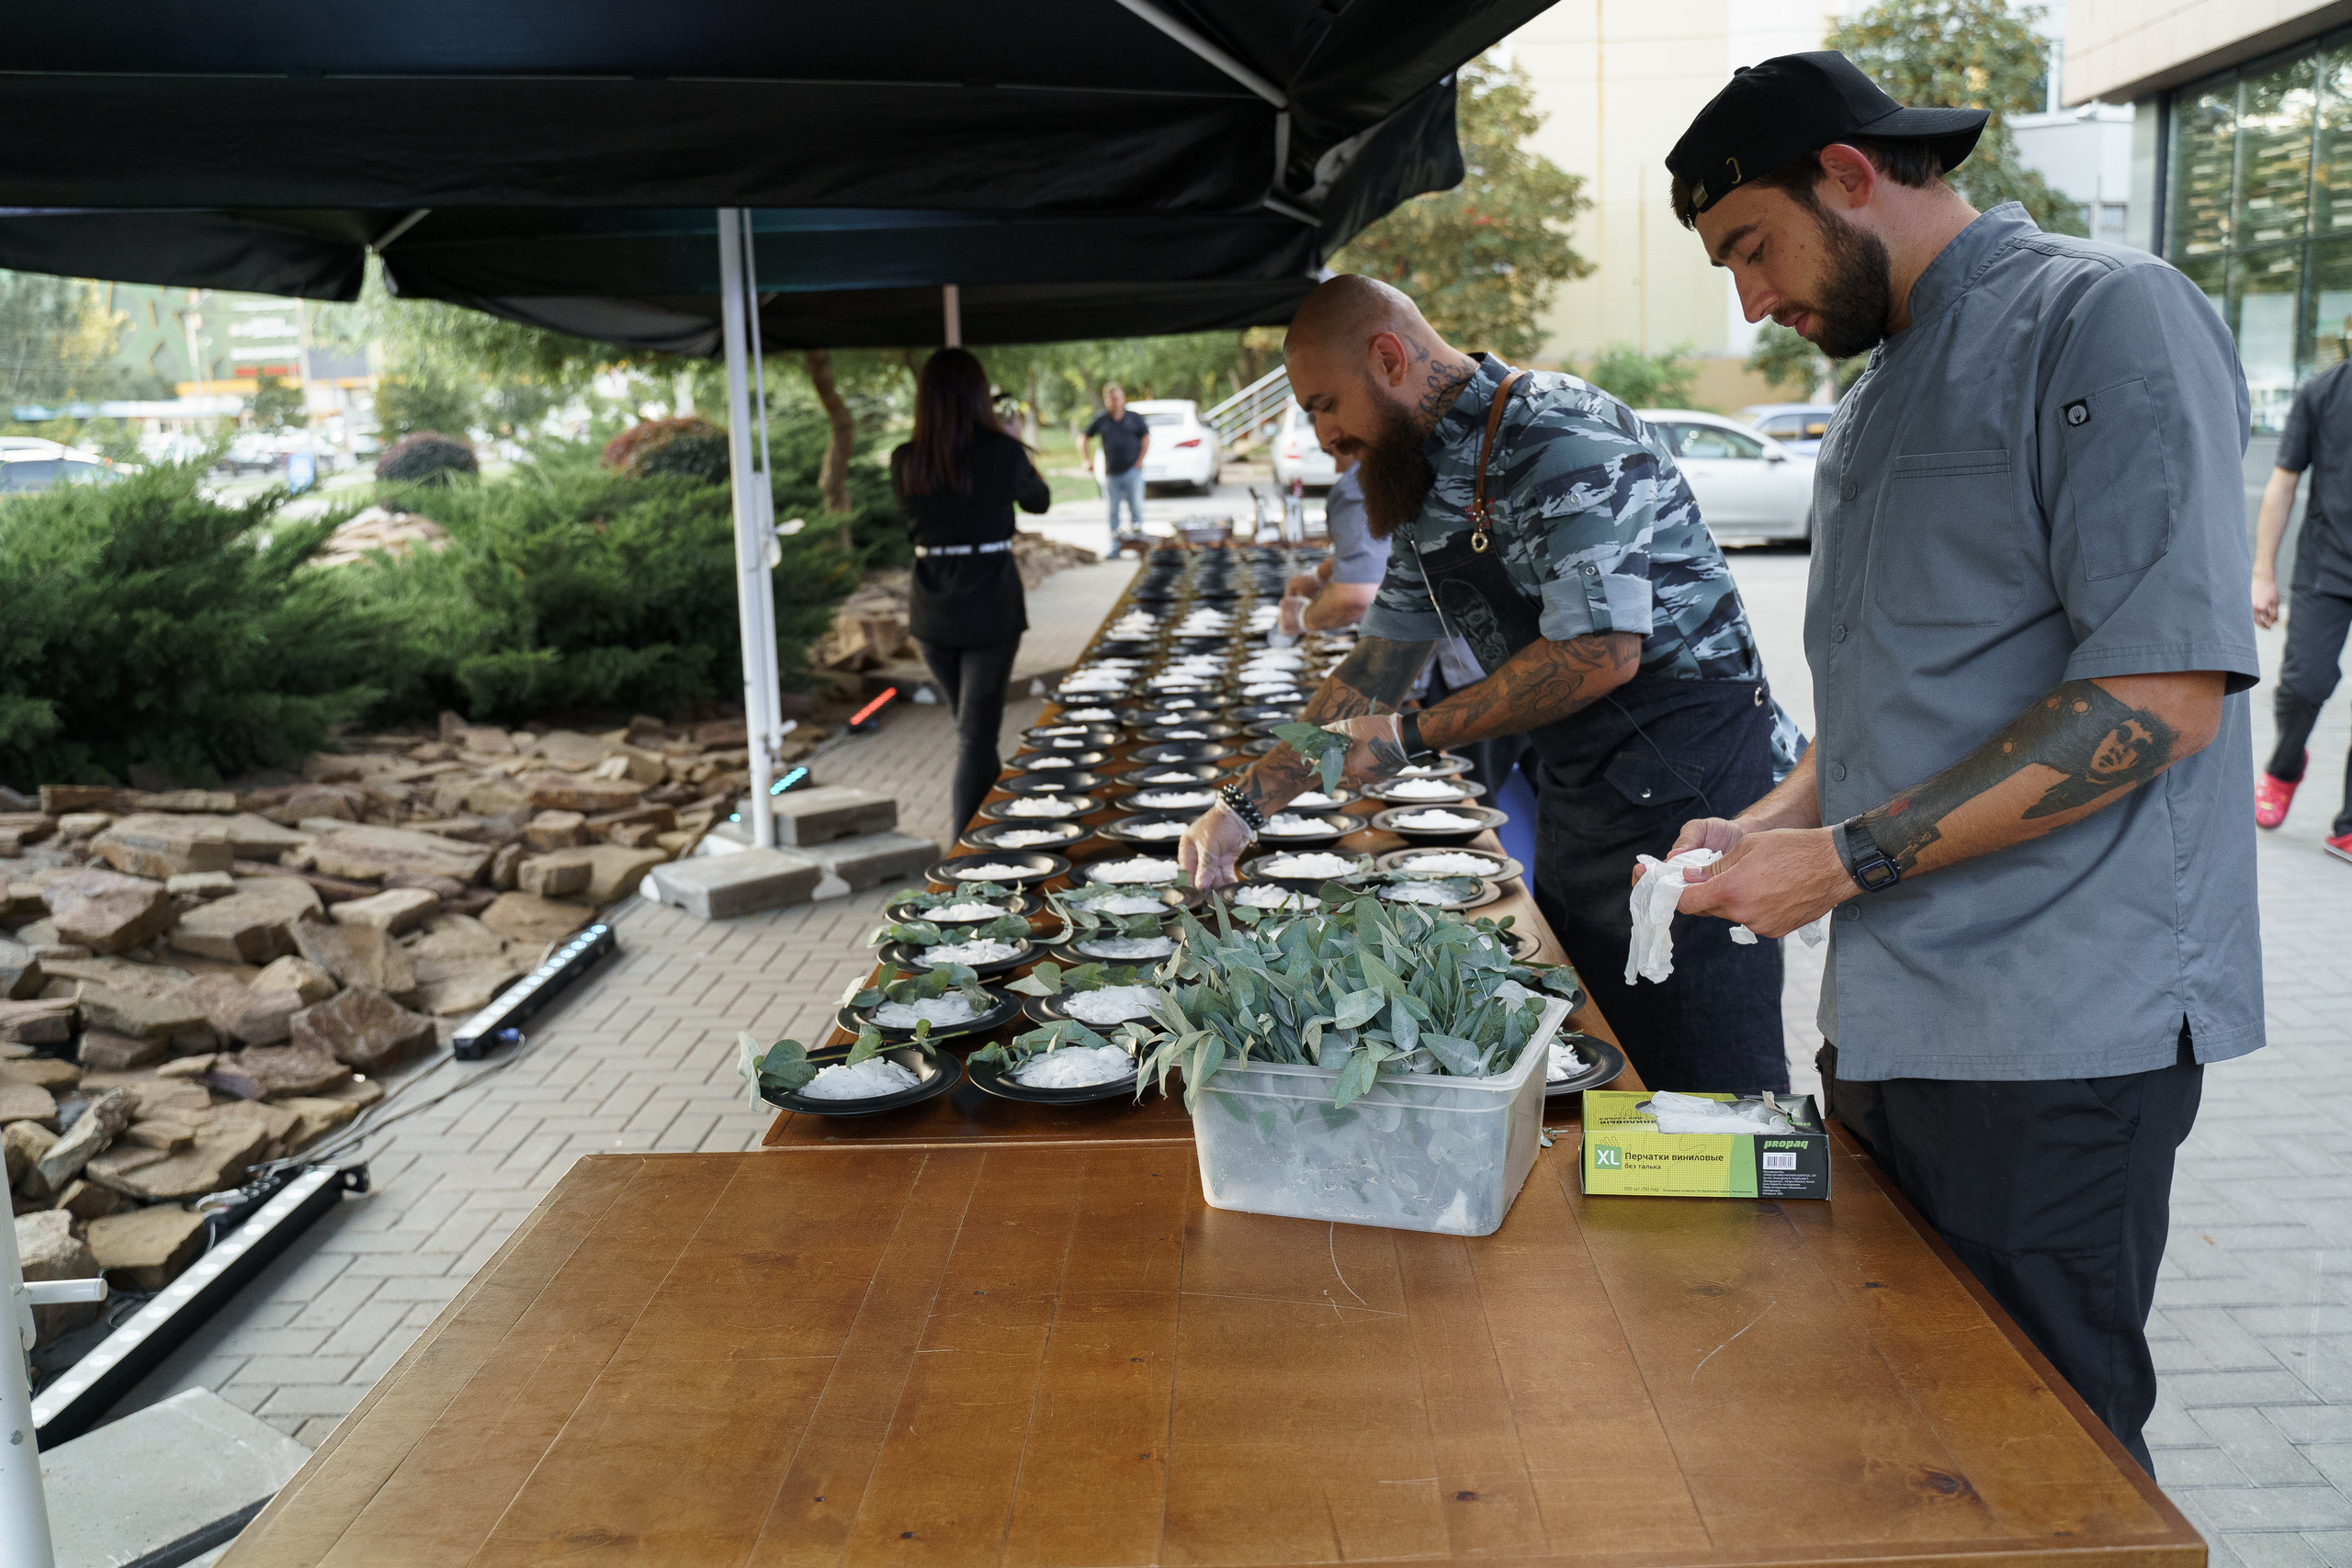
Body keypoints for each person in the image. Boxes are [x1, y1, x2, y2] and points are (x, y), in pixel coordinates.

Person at [1658, 51, 2262, 1471]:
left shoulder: (2106, 319)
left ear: (1852, 176)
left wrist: (1844, 858)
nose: (1749, 297)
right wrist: (1764, 824)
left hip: (2060, 1036)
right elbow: (1908, 705)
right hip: (1891, 1023)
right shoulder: (1873, 393)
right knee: (1914, 1427)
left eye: (1752, 245)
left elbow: (2160, 696)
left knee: (2049, 1457)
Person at [1177, 274, 1795, 1095]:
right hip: (1585, 790)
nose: (1324, 437)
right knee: (1596, 1057)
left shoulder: (1559, 436)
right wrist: (1242, 805)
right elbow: (1376, 668)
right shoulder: (1426, 481)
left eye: (1326, 405)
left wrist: (1411, 737)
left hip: (1698, 784)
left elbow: (1600, 651)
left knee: (1705, 1083)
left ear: (1389, 359)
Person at [1276, 451, 1532, 802]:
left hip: (1464, 665)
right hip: (1507, 649)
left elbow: (1357, 596)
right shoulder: (1428, 461)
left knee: (1465, 798)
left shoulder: (1359, 486)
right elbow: (1389, 545)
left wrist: (1301, 619)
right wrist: (1319, 574)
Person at [889, 348, 1051, 838]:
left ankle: (993, 833)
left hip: (932, 607)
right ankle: (967, 856)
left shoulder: (905, 460)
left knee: (972, 734)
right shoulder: (1002, 451)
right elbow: (1039, 502)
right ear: (979, 395)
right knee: (974, 736)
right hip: (989, 602)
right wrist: (1017, 446)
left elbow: (913, 524)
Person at [2251, 350, 2352, 861]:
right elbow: (2283, 481)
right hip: (2327, 568)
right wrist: (2263, 573)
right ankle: (2285, 765)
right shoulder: (2324, 393)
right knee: (2304, 682)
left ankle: (2350, 825)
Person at [1080, 383, 1150, 558]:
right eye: (1111, 398)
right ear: (1106, 401)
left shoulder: (1134, 418)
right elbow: (1083, 437)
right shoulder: (1102, 420)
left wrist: (1140, 461)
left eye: (1117, 397)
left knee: (1136, 510)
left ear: (1123, 398)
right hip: (1112, 473)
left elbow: (1146, 438)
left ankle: (1138, 546)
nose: (1115, 401)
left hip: (1132, 471)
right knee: (1113, 512)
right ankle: (1115, 547)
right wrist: (1086, 460)